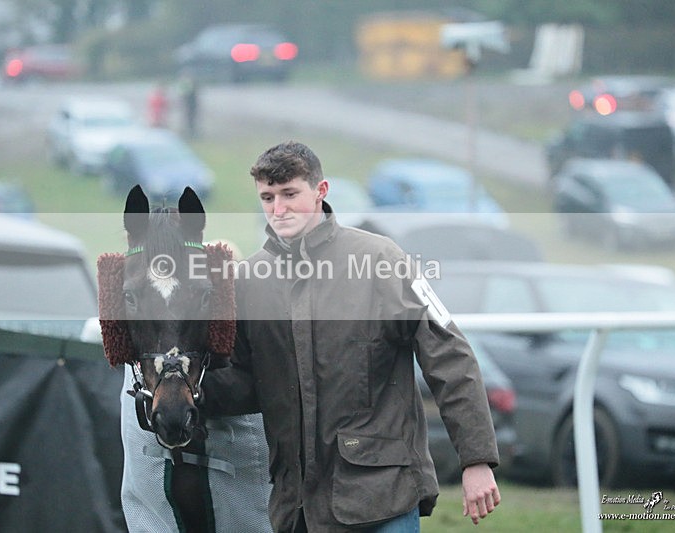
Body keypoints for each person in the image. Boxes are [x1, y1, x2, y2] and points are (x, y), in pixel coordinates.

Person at [202, 141, 501, 532]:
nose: (279, 209)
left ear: (321, 191)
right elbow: (243, 384)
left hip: (383, 498)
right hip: (298, 509)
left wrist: (476, 460)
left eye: (290, 194)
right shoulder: (248, 282)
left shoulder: (381, 260)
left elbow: (450, 356)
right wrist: (182, 389)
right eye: (268, 197)